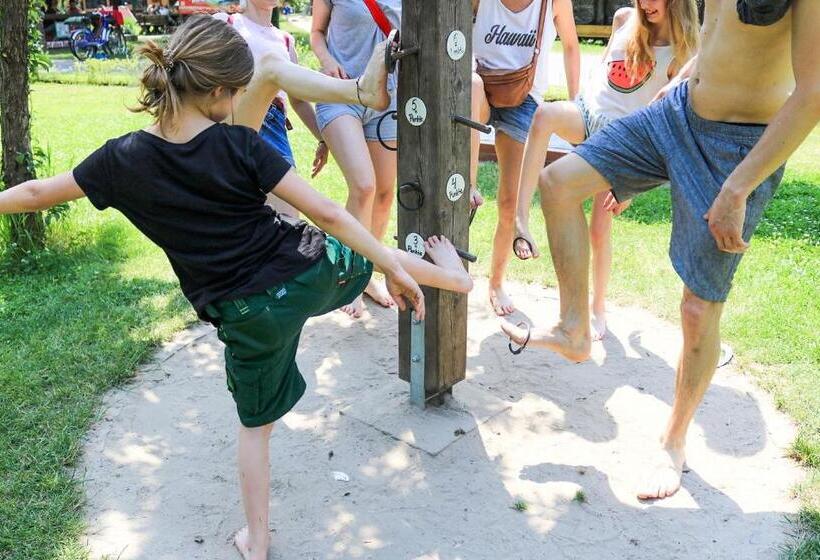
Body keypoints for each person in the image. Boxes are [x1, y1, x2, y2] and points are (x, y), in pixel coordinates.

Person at [0, 17, 473, 560]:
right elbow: (327, 214)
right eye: (239, 93)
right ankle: (453, 278)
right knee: (365, 257)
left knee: (255, 428)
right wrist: (388, 262)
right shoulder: (241, 146)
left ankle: (257, 540)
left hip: (247, 316)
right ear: (219, 91)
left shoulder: (120, 159)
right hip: (307, 275)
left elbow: (35, 193)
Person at [502, 0, 819, 500]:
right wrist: (688, 74)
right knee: (558, 184)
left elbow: (813, 93)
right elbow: (718, 36)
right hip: (677, 112)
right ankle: (574, 328)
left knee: (698, 308)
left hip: (735, 148)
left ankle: (673, 443)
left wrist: (737, 189)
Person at [514, 0, 699, 339]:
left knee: (599, 230)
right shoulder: (624, 19)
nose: (645, 5)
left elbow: (668, 124)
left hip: (622, 141)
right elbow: (602, 70)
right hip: (589, 115)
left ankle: (598, 309)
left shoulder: (684, 50)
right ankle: (520, 220)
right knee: (544, 116)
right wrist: (579, 97)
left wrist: (631, 184)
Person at [470, 0, 580, 316]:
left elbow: (571, 46)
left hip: (523, 95)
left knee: (510, 202)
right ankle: (470, 186)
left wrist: (576, 103)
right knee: (472, 85)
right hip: (482, 88)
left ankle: (496, 283)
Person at [310, 0, 401, 318]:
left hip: (387, 97)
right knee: (364, 186)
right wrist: (327, 61)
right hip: (342, 92)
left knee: (384, 194)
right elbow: (317, 33)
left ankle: (366, 274)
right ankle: (347, 280)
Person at [215, 0, 329, 217]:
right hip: (232, 121)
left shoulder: (285, 40)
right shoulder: (226, 23)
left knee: (288, 218)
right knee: (231, 213)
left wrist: (323, 139)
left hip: (274, 124)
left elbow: (298, 100)